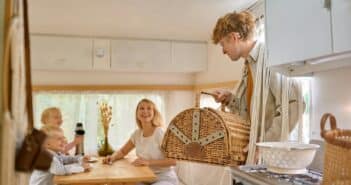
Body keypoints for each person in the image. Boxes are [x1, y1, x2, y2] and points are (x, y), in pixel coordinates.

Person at [211, 11, 302, 145]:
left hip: (271, 154)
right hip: (256, 153)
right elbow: (249, 111)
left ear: (234, 37)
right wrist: (230, 99)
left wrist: (265, 144)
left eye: (223, 44)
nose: (223, 51)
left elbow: (294, 104)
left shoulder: (270, 57)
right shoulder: (249, 65)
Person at [103, 99, 178, 185]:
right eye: (141, 108)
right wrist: (112, 157)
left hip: (163, 178)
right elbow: (123, 151)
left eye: (149, 108)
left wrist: (148, 162)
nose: (145, 111)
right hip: (143, 178)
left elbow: (173, 161)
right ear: (137, 114)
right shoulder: (137, 134)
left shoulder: (159, 132)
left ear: (154, 113)